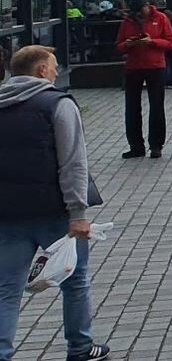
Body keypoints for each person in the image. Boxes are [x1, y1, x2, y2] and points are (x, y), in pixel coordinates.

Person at [0, 46, 110, 361]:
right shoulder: (57, 104)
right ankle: (80, 347)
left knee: (7, 288)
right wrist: (78, 213)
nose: (57, 72)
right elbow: (74, 163)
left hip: (7, 215)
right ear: (40, 71)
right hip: (55, 213)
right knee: (74, 282)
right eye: (54, 67)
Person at [116, 0, 172, 160]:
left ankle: (156, 145)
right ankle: (136, 146)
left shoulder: (161, 18)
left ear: (147, 6)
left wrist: (152, 42)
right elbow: (119, 46)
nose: (138, 15)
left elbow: (171, 43)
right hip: (133, 67)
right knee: (132, 108)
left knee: (156, 106)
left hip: (155, 66)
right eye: (134, 12)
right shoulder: (127, 22)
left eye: (140, 11)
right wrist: (128, 45)